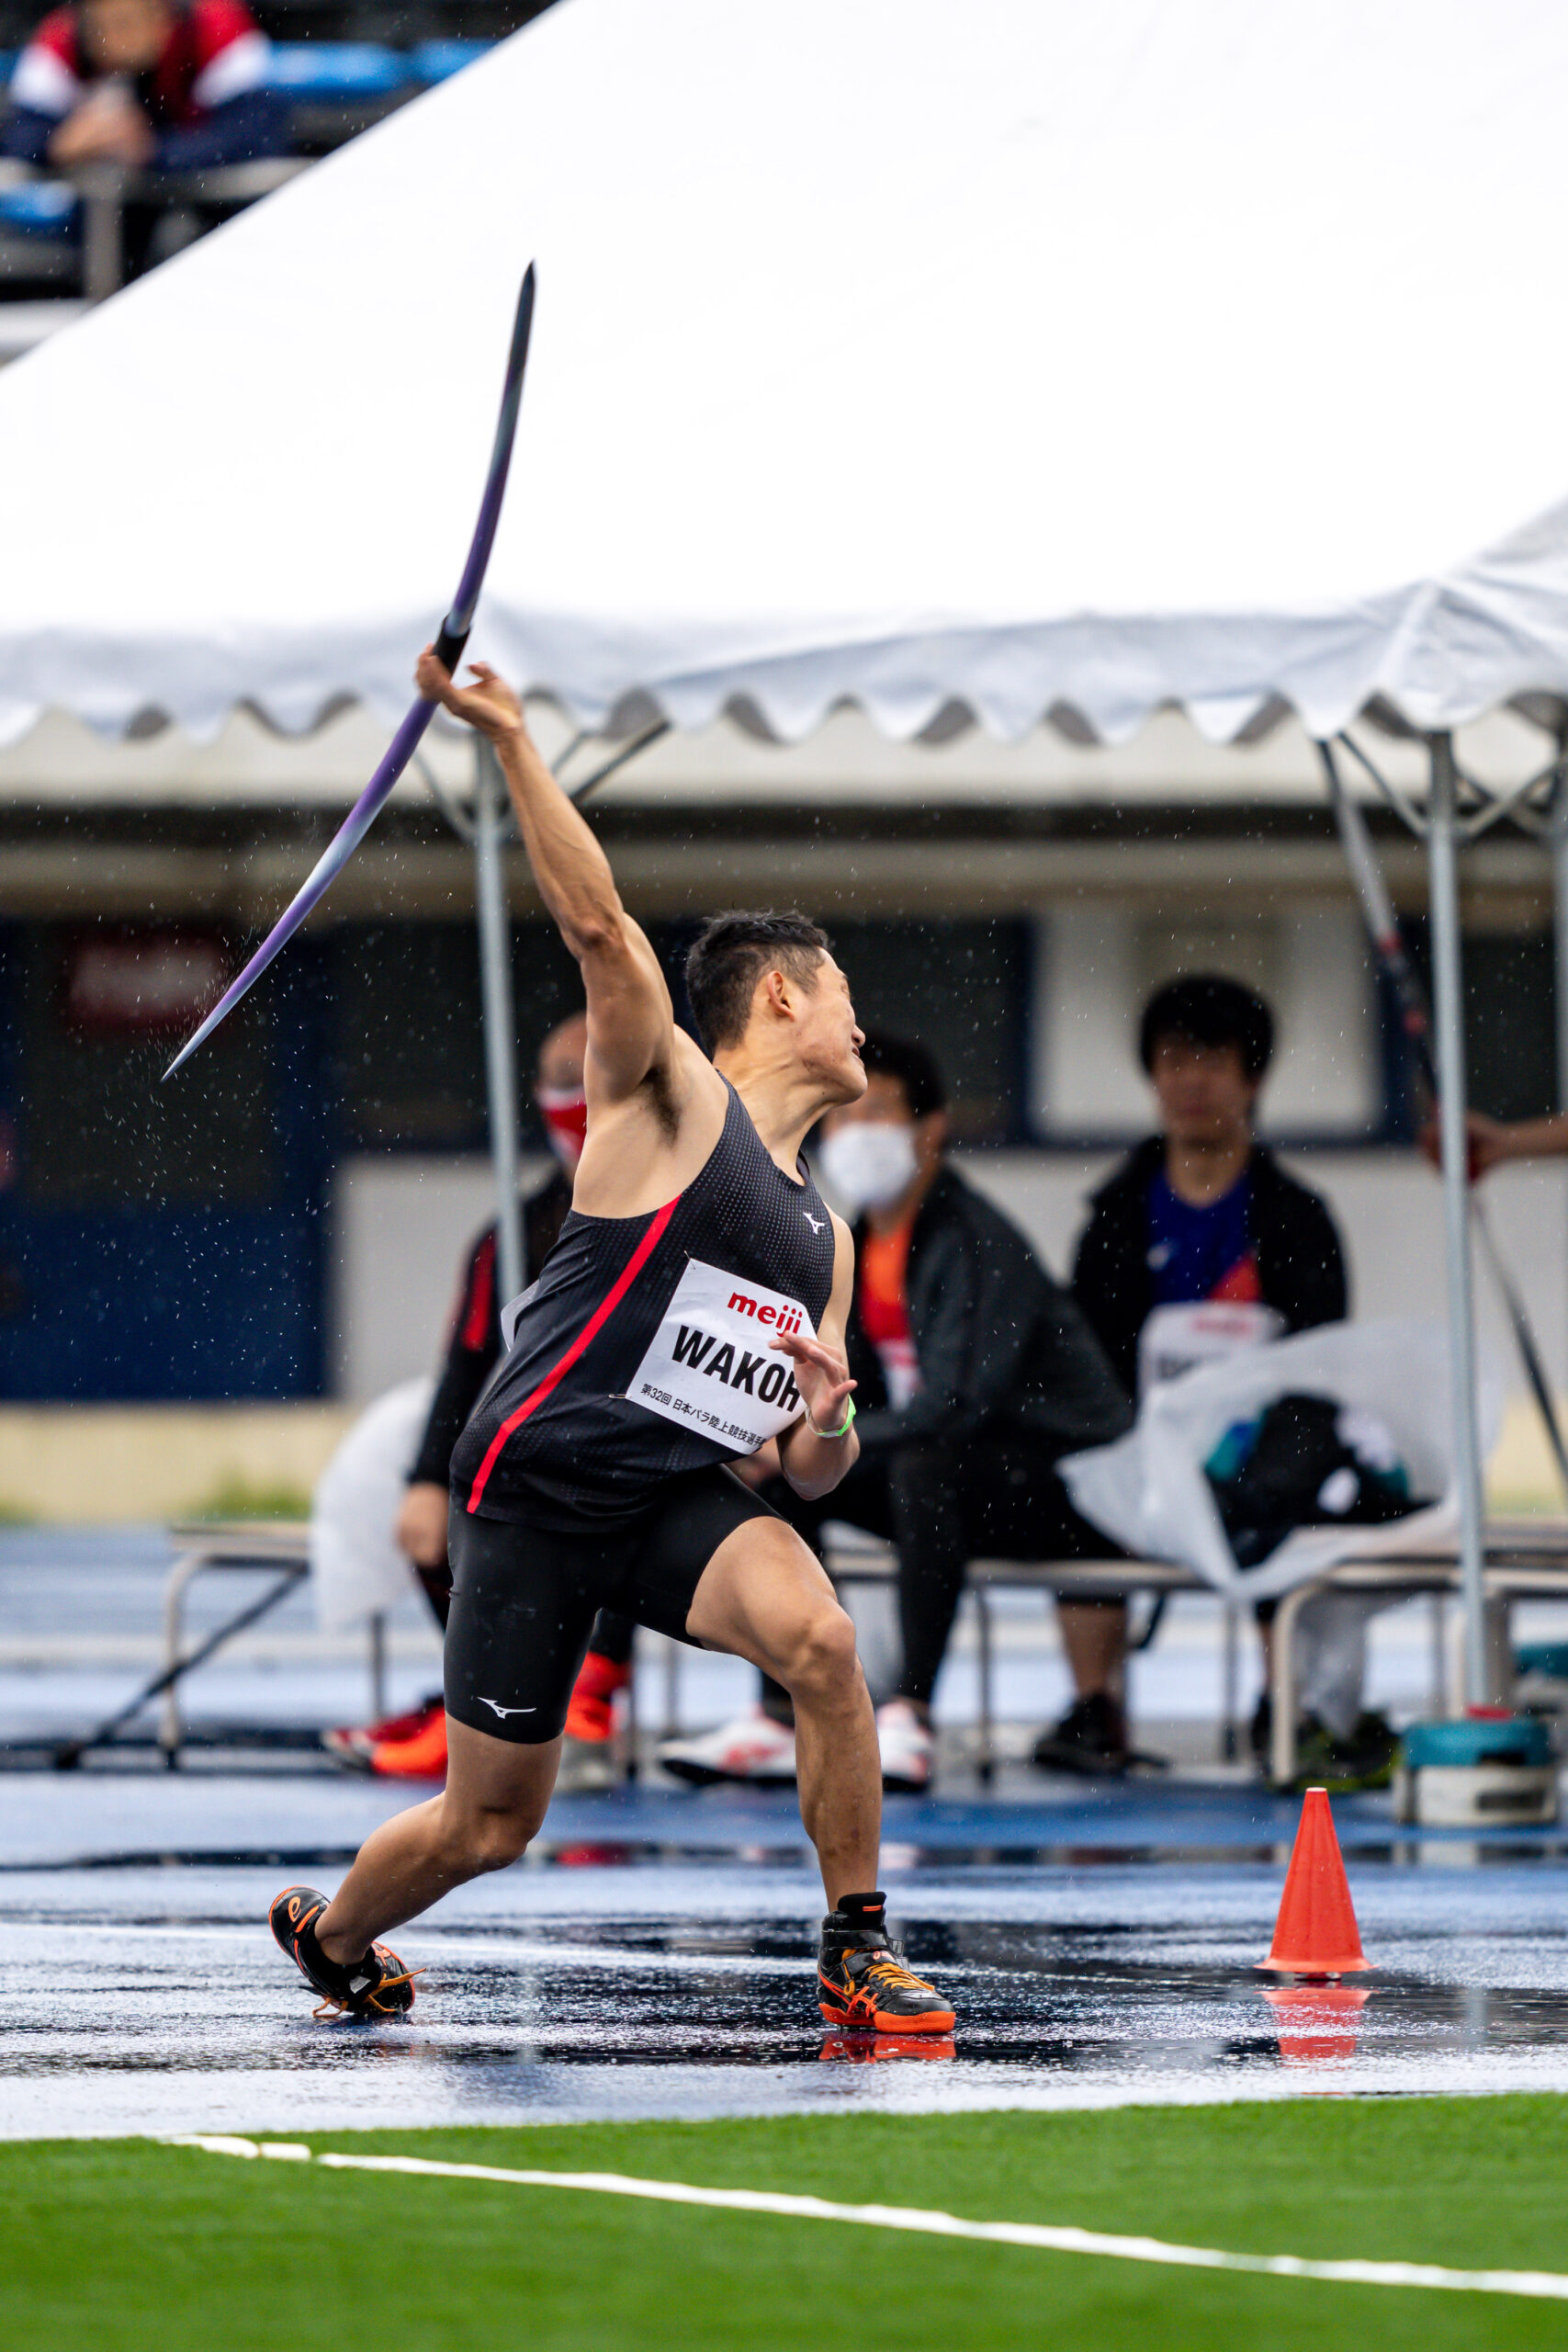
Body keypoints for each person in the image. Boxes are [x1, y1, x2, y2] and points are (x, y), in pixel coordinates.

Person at [270, 649, 955, 2037]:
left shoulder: (822, 1236)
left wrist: (824, 1417)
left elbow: (809, 1473)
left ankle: (853, 1943)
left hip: (666, 1501)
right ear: (775, 998)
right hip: (530, 1494)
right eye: (837, 992)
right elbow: (596, 927)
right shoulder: (666, 1104)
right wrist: (513, 739)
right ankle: (334, 1933)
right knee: (487, 1827)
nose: (857, 1018)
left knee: (822, 1643)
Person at [660, 1031, 1133, 1793]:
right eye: (843, 1117)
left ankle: (908, 1715)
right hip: (964, 1474)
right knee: (789, 1483)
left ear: (931, 1127)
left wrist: (812, 1438)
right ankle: (784, 1711)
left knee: (918, 1468)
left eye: (877, 1113)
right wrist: (771, 1440)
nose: (854, 1135)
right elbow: (855, 1394)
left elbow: (955, 1408)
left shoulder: (975, 1239)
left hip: (1067, 1483)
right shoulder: (860, 1238)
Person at [1058, 974, 1385, 1782]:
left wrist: (1264, 1454)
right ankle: (1095, 1706)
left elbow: (1321, 1363)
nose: (1189, 1081)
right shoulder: (1113, 1219)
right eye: (1172, 1061)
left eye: (1211, 1062)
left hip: (1259, 1452)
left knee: (1295, 1488)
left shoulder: (1295, 1218)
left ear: (1252, 1078)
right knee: (1068, 1482)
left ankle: (1287, 1703)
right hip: (1144, 1446)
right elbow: (1085, 1361)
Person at [322, 1012, 636, 1785]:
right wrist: (427, 1481)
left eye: (593, 1088)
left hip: (638, 1458)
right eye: (563, 1089)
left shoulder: (681, 1218)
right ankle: (487, 1697)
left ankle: (586, 1693)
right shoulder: (511, 1234)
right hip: (533, 1460)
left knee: (617, 1482)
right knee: (449, 1505)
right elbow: (464, 1369)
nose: (579, 1110)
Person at [3, 0, 285, 172]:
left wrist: (151, 151)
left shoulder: (217, 27)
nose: (110, 39)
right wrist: (59, 143)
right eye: (98, 27)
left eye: (125, 23)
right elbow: (17, 138)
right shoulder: (61, 37)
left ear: (163, 18)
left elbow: (255, 139)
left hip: (207, 210)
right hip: (108, 218)